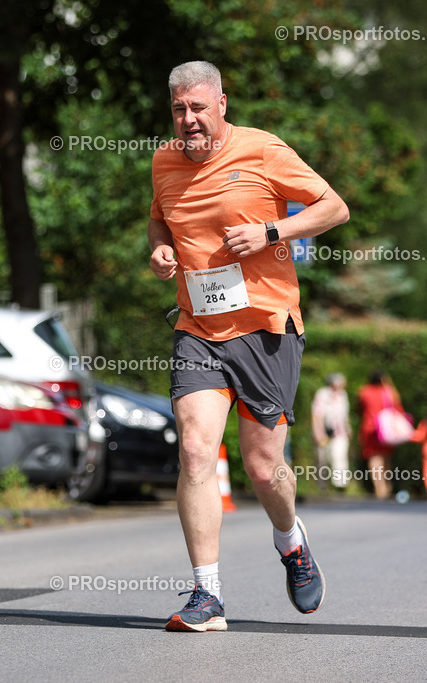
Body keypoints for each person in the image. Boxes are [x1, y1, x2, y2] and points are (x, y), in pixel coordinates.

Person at [148, 61, 349, 632]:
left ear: (222, 104)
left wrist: (271, 232)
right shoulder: (163, 160)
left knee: (264, 468)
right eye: (179, 109)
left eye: (198, 108)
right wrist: (161, 249)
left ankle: (291, 544)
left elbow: (335, 207)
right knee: (195, 451)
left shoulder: (262, 151)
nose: (189, 120)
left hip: (266, 328)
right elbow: (159, 221)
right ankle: (206, 597)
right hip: (199, 330)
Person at [356, 371, 403, 500]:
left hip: (370, 428)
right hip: (387, 430)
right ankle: (387, 486)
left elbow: (359, 409)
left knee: (374, 457)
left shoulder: (364, 392)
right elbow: (398, 409)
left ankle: (379, 487)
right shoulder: (389, 391)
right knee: (386, 458)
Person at [311, 373, 352, 491]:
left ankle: (340, 485)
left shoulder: (343, 395)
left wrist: (348, 429)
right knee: (322, 458)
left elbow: (345, 414)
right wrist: (318, 433)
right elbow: (316, 414)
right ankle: (322, 485)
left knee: (339, 456)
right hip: (324, 431)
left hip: (340, 432)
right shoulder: (322, 394)